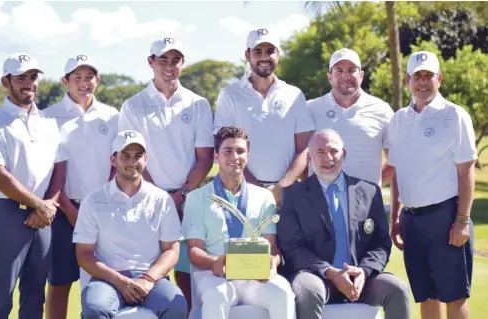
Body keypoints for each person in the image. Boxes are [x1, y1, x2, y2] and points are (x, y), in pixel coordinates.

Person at [118, 37, 214, 310]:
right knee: (150, 272)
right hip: (145, 199)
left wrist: (181, 195)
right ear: (151, 62)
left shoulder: (197, 104)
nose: (169, 66)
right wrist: (160, 197)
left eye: (176, 60)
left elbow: (205, 158)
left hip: (190, 199)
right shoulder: (133, 106)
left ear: (183, 64)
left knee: (187, 272)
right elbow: (132, 160)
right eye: (163, 60)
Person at [277, 129, 410, 319]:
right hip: (316, 276)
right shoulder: (293, 195)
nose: (327, 158)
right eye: (320, 152)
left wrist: (364, 271)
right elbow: (292, 247)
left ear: (344, 154)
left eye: (333, 151)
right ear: (309, 158)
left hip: (361, 278)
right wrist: (331, 273)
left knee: (398, 289)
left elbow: (381, 244)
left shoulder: (369, 192)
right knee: (308, 291)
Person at [0, 53, 67, 319]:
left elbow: (59, 168)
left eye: (33, 77)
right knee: (0, 297)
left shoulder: (49, 122)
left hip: (43, 216)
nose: (29, 83)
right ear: (6, 82)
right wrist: (39, 205)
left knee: (34, 296)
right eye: (21, 78)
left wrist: (48, 205)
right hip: (8, 213)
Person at [388, 51, 476, 319]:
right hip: (412, 221)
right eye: (417, 76)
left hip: (447, 217)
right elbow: (396, 173)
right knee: (426, 295)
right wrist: (395, 218)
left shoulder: (454, 115)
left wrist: (462, 219)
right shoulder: (398, 120)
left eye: (429, 76)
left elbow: (467, 170)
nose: (423, 82)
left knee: (454, 296)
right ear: (407, 80)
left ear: (440, 79)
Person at [183, 125, 295, 319]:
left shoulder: (264, 197)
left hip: (254, 278)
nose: (235, 157)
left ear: (248, 156)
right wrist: (214, 262)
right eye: (228, 151)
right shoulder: (197, 198)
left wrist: (272, 263)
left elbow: (273, 247)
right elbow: (194, 250)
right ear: (216, 156)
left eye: (241, 151)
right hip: (215, 276)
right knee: (216, 295)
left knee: (283, 292)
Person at [73, 130, 187, 319]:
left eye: (138, 156)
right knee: (95, 309)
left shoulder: (161, 199)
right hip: (108, 279)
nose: (132, 162)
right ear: (113, 159)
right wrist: (120, 281)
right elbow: (83, 255)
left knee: (177, 307)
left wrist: (148, 279)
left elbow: (172, 249)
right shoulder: (93, 201)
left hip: (152, 279)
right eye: (125, 156)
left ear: (146, 159)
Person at [42, 54, 119, 319]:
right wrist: (69, 210)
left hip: (103, 211)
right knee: (60, 282)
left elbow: (115, 165)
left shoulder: (112, 116)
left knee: (104, 281)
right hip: (64, 211)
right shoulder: (48, 117)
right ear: (65, 81)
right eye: (77, 77)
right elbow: (49, 171)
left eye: (89, 77)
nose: (84, 83)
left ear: (97, 80)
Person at [213, 28, 314, 206]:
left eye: (270, 51)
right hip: (241, 192)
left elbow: (304, 149)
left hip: (288, 195)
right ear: (247, 55)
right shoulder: (230, 95)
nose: (264, 57)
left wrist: (281, 187)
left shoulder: (294, 95)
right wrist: (258, 190)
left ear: (278, 54)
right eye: (257, 51)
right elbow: (226, 150)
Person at [307, 48, 393, 186]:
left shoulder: (382, 110)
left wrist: (367, 190)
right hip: (320, 204)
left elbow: (395, 162)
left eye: (351, 70)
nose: (345, 76)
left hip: (366, 205)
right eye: (339, 71)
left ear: (361, 75)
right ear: (329, 76)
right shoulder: (310, 109)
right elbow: (300, 158)